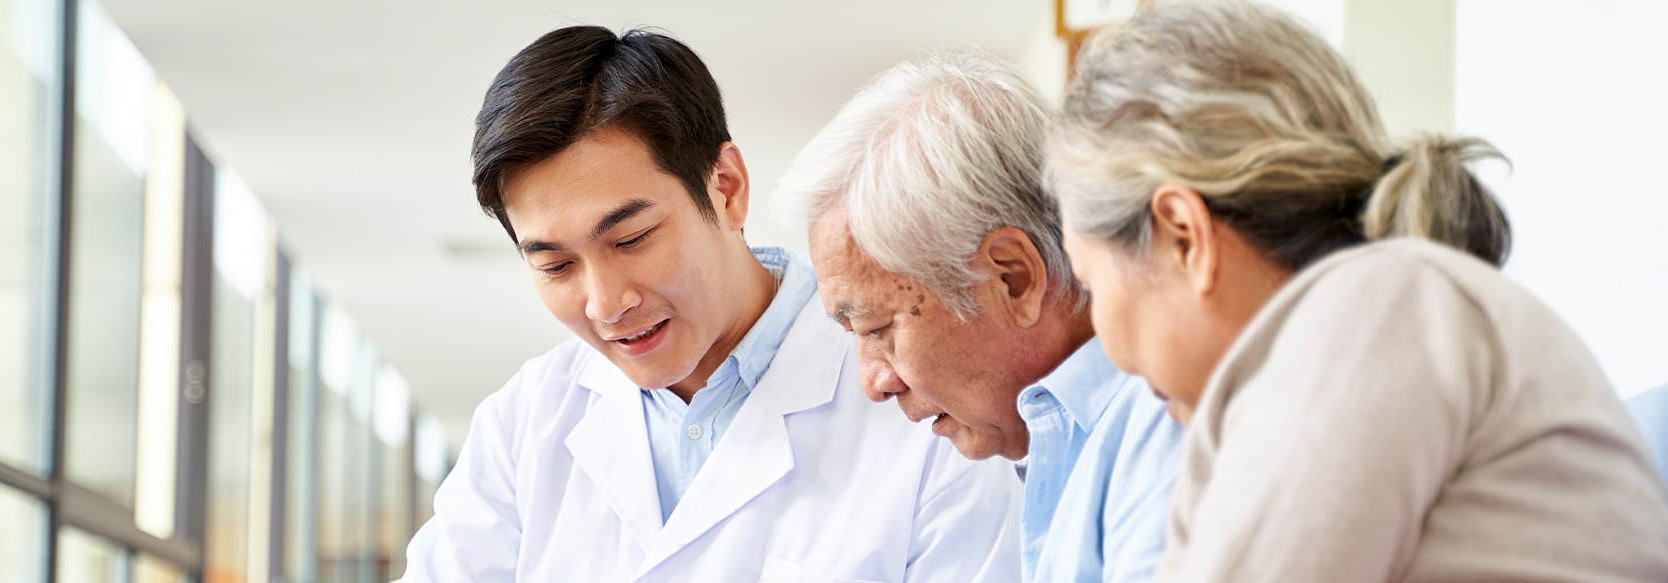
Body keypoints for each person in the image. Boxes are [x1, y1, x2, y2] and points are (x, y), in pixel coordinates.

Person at [1041, 1, 1668, 580]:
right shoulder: (1352, 330)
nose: (1105, 339)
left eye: (1093, 283)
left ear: (1185, 237)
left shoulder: (1371, 314)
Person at [398, 26, 1021, 583]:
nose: (607, 304)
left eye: (632, 239)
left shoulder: (931, 402)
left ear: (726, 188)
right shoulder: (523, 427)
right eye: (556, 266)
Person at [777, 52, 1180, 583]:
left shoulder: (1170, 429)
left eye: (879, 329)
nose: (873, 382)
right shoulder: (1052, 440)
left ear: (1013, 278)